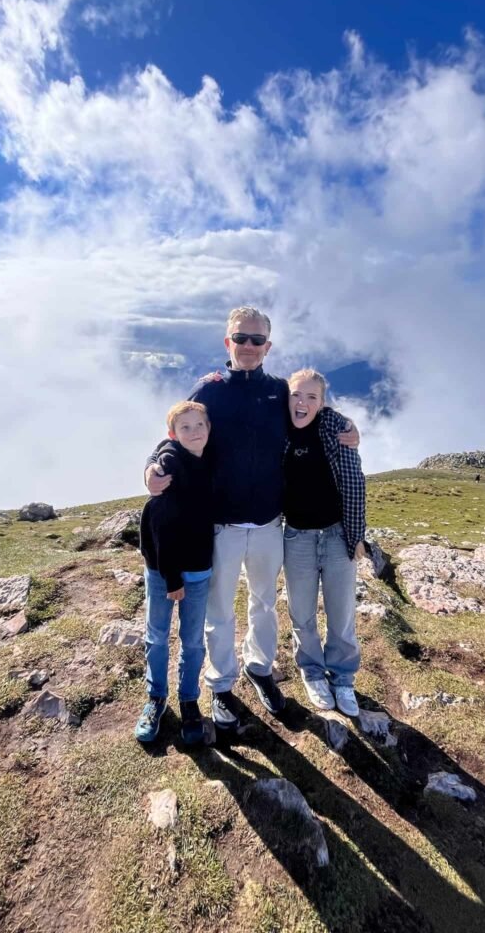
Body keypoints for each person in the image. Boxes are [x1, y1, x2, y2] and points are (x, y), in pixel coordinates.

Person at [145, 306, 359, 732]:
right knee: (219, 611)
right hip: (221, 525)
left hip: (267, 524)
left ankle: (259, 669)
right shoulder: (209, 390)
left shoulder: (279, 391)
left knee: (264, 603)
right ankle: (221, 685)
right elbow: (177, 428)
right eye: (240, 338)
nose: (248, 346)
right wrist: (152, 464)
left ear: (268, 346)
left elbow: (312, 412)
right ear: (228, 343)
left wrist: (350, 427)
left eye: (256, 340)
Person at [282, 369, 365, 717]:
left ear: (322, 402)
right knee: (301, 613)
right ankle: (312, 671)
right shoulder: (276, 431)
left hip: (335, 534)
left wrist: (357, 535)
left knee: (341, 613)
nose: (302, 403)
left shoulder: (335, 430)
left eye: (311, 397)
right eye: (296, 395)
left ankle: (343, 678)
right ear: (286, 397)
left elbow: (354, 483)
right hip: (296, 536)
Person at [136, 401, 213, 745]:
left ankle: (188, 699)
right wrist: (172, 579)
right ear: (172, 434)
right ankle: (156, 698)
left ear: (209, 429)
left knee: (193, 641)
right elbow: (161, 523)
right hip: (165, 571)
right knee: (157, 636)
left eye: (200, 425)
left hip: (199, 568)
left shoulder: (210, 457)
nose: (194, 432)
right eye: (185, 428)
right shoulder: (169, 462)